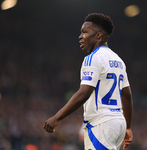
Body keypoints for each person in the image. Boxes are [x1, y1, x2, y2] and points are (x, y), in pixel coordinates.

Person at [44, 13, 133, 150]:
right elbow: (127, 96)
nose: (80, 36)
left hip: (101, 125)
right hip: (118, 123)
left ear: (98, 36)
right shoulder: (118, 60)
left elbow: (83, 93)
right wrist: (127, 127)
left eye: (84, 32)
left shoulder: (93, 58)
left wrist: (57, 118)